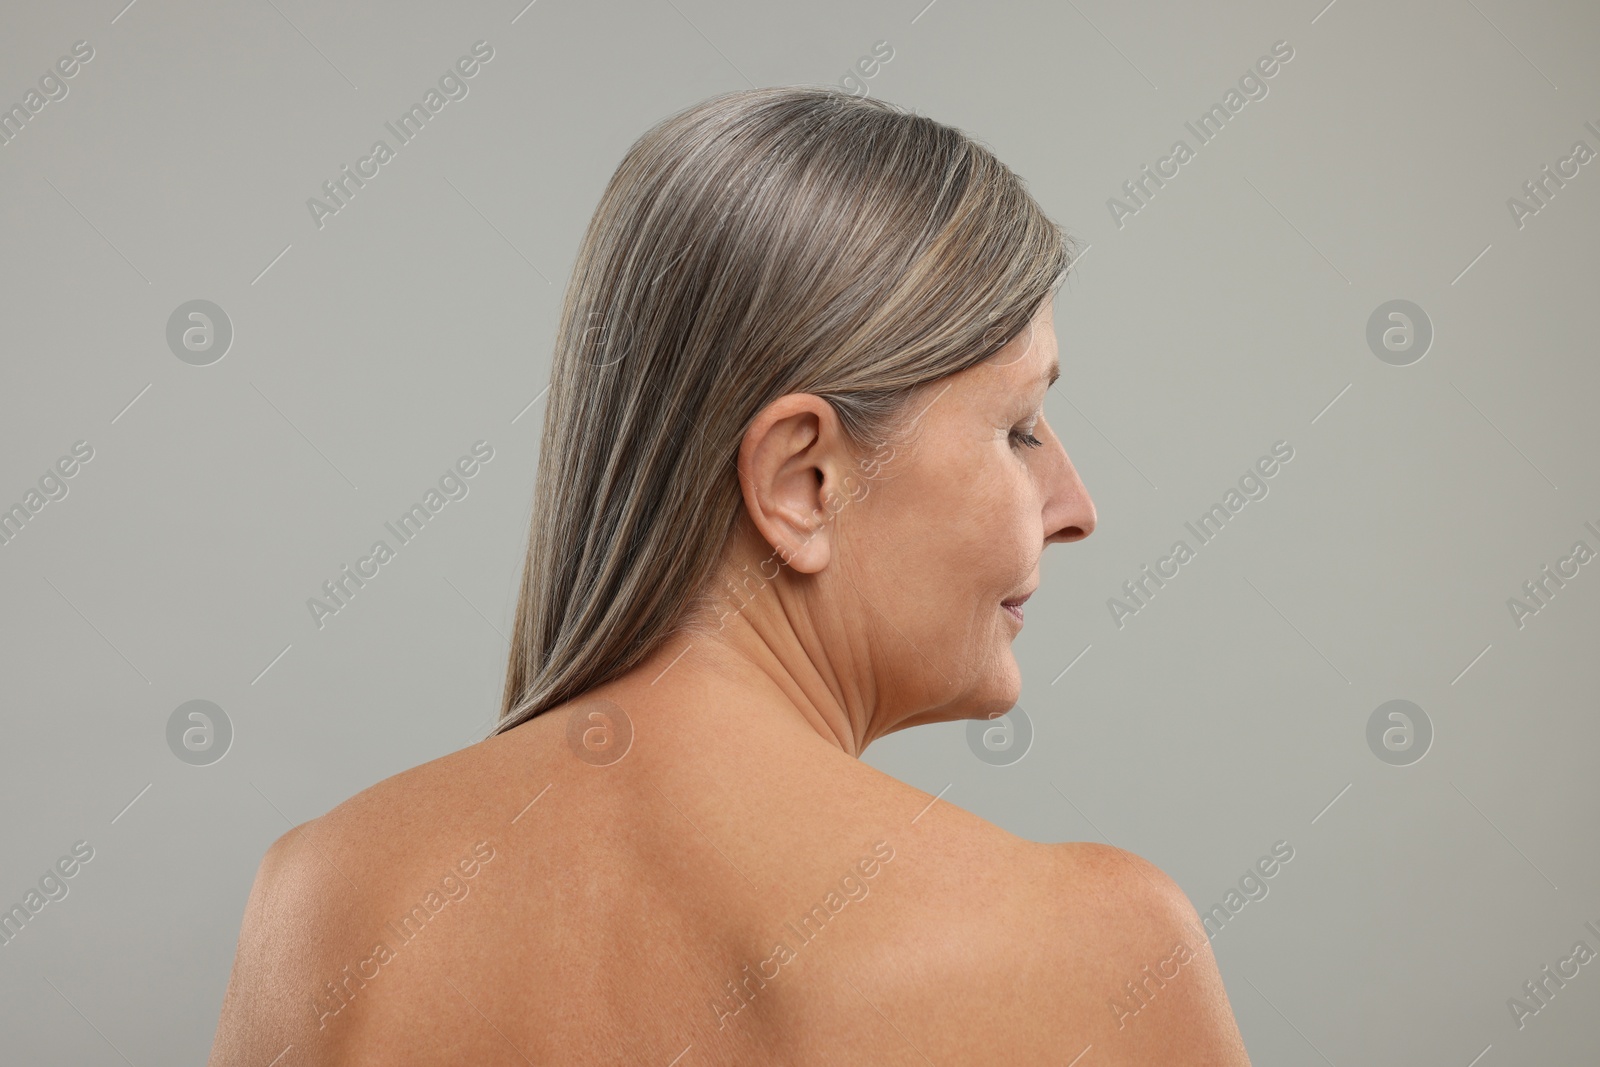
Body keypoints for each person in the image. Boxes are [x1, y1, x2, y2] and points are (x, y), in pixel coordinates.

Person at [207, 85, 1251, 1066]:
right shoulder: (1096, 947)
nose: (1076, 507)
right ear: (802, 480)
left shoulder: (324, 901)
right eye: (1018, 427)